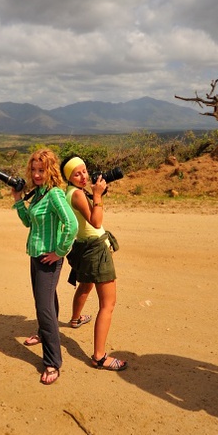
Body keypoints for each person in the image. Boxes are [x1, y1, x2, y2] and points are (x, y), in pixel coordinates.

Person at [11, 148, 78, 385]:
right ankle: (42, 334)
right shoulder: (39, 194)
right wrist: (18, 200)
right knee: (48, 299)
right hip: (36, 254)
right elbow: (29, 221)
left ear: (50, 170)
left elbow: (71, 224)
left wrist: (59, 251)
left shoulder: (55, 195)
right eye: (34, 170)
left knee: (43, 308)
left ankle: (52, 362)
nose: (37, 174)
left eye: (42, 170)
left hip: (48, 258)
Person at [60, 156, 127, 371]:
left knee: (86, 284)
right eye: (77, 173)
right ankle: (99, 356)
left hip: (84, 247)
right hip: (95, 250)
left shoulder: (70, 192)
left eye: (85, 171)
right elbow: (96, 221)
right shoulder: (78, 194)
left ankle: (75, 319)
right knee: (108, 304)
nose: (84, 176)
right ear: (69, 177)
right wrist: (97, 195)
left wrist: (97, 195)